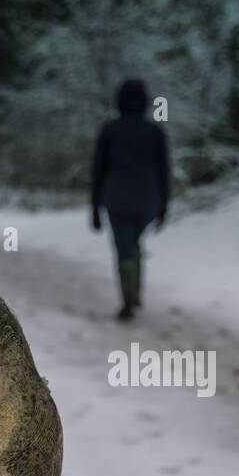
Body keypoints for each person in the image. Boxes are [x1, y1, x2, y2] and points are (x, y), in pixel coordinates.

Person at [91, 78, 170, 321]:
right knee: (133, 244)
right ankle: (135, 294)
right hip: (149, 200)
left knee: (124, 248)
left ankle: (129, 300)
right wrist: (164, 205)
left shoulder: (109, 130)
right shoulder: (156, 131)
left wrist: (94, 207)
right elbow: (164, 171)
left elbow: (98, 170)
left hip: (117, 200)